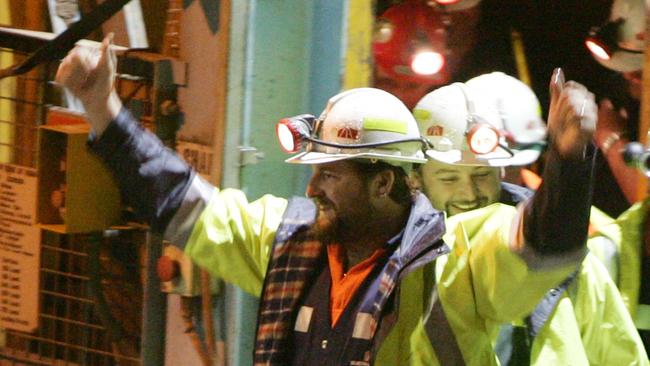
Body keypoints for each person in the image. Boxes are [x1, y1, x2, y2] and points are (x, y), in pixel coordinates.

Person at [56, 35, 597, 365]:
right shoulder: (293, 242)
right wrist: (103, 109)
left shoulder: (452, 258)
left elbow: (540, 247)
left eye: (331, 176)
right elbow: (187, 205)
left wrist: (570, 162)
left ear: (383, 182)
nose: (312, 189)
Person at [412, 72, 649, 364]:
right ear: (416, 178)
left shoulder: (572, 264)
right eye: (448, 178)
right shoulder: (402, 264)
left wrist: (569, 162)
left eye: (482, 175)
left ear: (502, 172)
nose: (469, 193)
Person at [586, 0, 644, 217]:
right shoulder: (616, 93)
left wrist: (611, 139)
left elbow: (644, 197)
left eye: (640, 69)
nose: (629, 74)